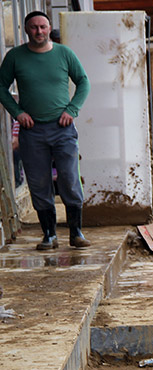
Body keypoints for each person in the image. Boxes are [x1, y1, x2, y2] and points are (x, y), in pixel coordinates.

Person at [0, 11, 91, 250]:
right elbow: (1, 87)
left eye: (43, 27)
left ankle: (76, 232)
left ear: (49, 28)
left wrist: (72, 109)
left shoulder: (64, 54)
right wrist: (17, 112)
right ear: (26, 29)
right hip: (32, 131)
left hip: (62, 128)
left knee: (70, 178)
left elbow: (83, 81)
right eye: (33, 27)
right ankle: (49, 234)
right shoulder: (15, 57)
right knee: (39, 182)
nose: (39, 32)